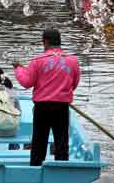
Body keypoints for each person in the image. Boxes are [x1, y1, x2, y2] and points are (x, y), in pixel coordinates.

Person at [12, 29, 81, 166]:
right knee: (62, 141)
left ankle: (36, 169)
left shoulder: (37, 61)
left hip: (42, 106)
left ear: (45, 42)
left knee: (39, 141)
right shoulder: (72, 61)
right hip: (61, 106)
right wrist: (61, 92)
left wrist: (18, 69)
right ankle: (61, 171)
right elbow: (74, 83)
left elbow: (27, 82)